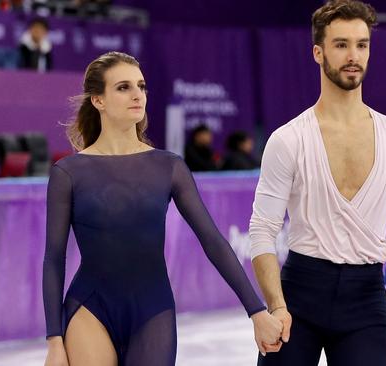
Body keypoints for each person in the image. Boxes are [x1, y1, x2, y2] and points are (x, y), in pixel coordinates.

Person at [43, 52, 283, 366]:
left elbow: (212, 241)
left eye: (141, 86)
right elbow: (54, 258)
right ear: (98, 100)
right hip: (88, 309)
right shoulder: (69, 173)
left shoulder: (168, 166)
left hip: (152, 311)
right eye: (123, 87)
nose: (136, 95)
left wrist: (256, 311)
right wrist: (54, 342)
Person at [248, 2, 386, 365]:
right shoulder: (288, 139)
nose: (353, 56)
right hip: (299, 295)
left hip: (365, 300)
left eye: (361, 45)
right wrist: (275, 306)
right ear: (318, 52)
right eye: (341, 45)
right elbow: (262, 230)